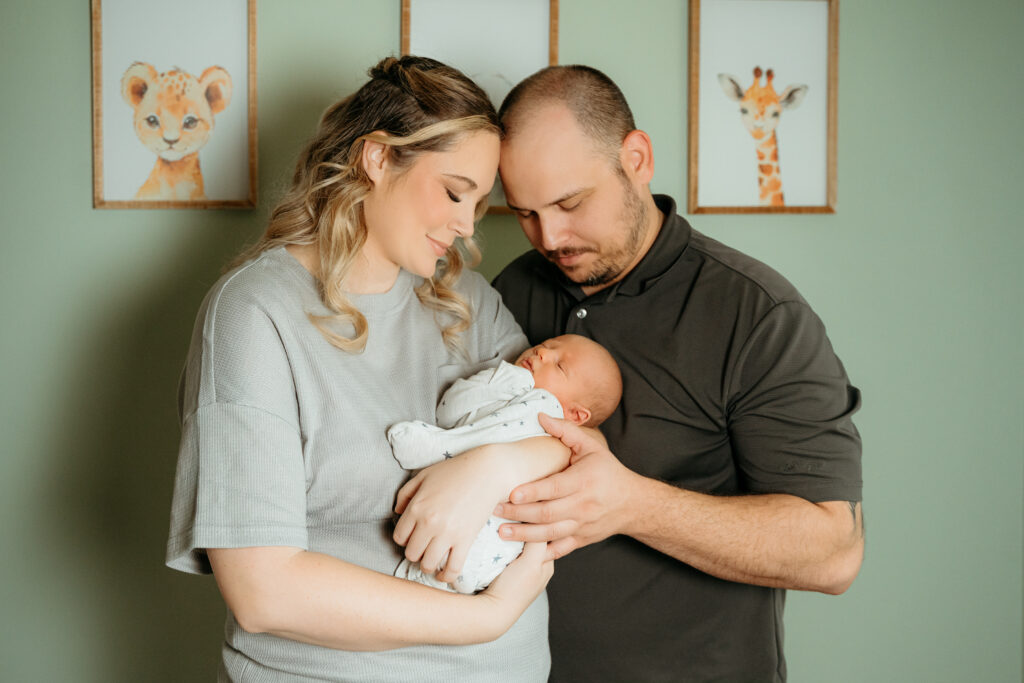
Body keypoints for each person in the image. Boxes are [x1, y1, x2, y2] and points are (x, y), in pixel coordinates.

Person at [165, 55, 567, 682]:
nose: (466, 226)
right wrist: (484, 618)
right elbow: (264, 590)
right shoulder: (254, 316)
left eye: (480, 203)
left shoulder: (470, 303)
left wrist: (495, 465)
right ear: (377, 158)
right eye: (455, 191)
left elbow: (576, 438)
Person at [489, 64, 865, 682]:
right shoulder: (514, 289)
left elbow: (833, 552)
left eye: (570, 202)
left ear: (636, 158)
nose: (549, 237)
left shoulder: (757, 314)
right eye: (525, 212)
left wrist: (630, 504)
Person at [388, 334, 622, 594]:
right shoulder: (509, 389)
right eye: (545, 346)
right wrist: (505, 380)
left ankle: (438, 445)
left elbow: (475, 427)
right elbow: (450, 410)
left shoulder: (545, 410)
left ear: (576, 415)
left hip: (494, 541)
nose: (542, 353)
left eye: (560, 366)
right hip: (463, 541)